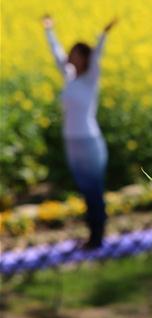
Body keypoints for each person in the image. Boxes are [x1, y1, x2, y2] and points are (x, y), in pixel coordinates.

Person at [42, 14, 117, 249]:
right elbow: (56, 55)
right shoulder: (70, 77)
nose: (70, 56)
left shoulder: (90, 79)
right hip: (72, 142)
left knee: (94, 190)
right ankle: (93, 236)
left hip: (88, 141)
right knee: (86, 190)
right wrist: (49, 30)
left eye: (76, 53)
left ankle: (97, 236)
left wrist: (103, 35)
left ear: (85, 58)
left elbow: (98, 56)